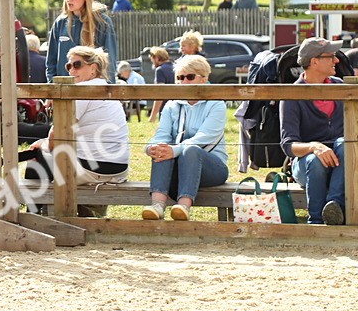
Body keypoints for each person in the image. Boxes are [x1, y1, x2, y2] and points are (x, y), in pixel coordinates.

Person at [24, 46, 130, 194]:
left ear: (93, 68)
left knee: (37, 157)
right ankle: (79, 205)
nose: (72, 70)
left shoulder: (82, 90)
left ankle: (36, 206)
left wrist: (42, 145)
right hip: (118, 168)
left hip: (96, 168)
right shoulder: (104, 87)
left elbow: (57, 133)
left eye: (77, 65)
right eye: (69, 66)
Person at [141, 55, 228, 221]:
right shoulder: (171, 105)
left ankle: (183, 206)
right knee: (162, 147)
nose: (184, 82)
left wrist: (174, 150)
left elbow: (204, 138)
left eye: (189, 77)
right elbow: (161, 134)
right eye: (180, 78)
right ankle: (157, 205)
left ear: (204, 79)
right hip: (177, 168)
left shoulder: (216, 104)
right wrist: (151, 147)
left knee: (191, 150)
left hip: (212, 169)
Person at [281, 38, 346, 225]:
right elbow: (288, 145)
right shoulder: (292, 95)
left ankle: (334, 206)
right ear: (314, 61)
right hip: (307, 165)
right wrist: (314, 147)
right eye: (331, 56)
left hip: (339, 162)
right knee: (314, 161)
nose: (336, 60)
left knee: (345, 143)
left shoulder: (340, 87)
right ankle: (316, 220)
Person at [45, 0, 119, 84]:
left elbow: (109, 61)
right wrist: (52, 86)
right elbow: (51, 61)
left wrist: (108, 89)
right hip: (64, 87)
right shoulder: (60, 23)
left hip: (92, 88)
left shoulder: (102, 22)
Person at [147, 46, 175, 122]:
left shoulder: (160, 70)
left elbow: (160, 93)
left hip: (165, 109)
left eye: (152, 59)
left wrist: (152, 116)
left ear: (156, 58)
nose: (152, 62)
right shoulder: (175, 67)